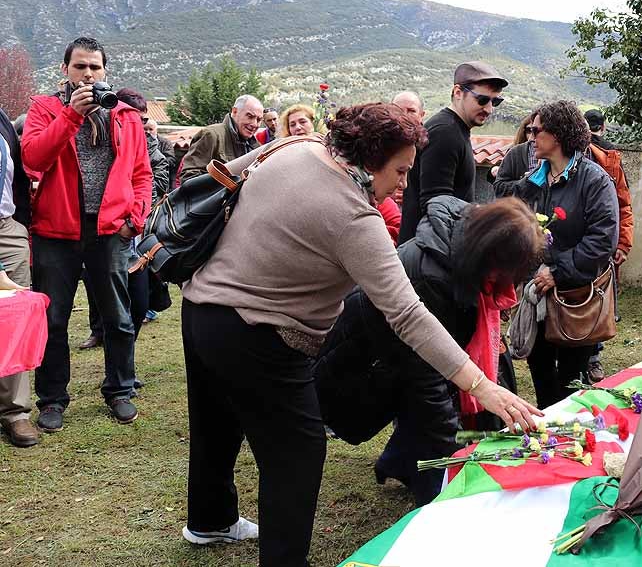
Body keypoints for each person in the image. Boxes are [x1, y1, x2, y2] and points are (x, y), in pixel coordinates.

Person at [179, 102, 540, 566]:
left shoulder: (298, 144)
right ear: (371, 160)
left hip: (201, 306)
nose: (405, 183)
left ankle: (210, 520)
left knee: (216, 421)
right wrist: (479, 384)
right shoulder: (355, 216)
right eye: (400, 170)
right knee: (298, 453)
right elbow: (407, 313)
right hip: (259, 332)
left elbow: (221, 179)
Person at [315, 195, 542, 504]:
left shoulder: (461, 256)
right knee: (430, 421)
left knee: (423, 410)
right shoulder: (432, 280)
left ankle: (397, 463)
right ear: (489, 257)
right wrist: (457, 454)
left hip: (395, 362)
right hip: (362, 361)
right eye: (506, 275)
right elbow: (427, 380)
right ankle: (435, 497)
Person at [21, 37, 152, 431]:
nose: (88, 74)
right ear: (65, 70)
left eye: (95, 67)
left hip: (109, 230)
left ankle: (120, 390)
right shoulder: (44, 108)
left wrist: (136, 218)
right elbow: (33, 156)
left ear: (105, 70)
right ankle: (53, 399)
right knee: (55, 319)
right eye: (80, 67)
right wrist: (71, 117)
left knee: (118, 316)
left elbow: (141, 174)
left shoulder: (125, 114)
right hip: (55, 231)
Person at [510, 101, 619, 409]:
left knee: (571, 379)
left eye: (536, 130)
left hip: (575, 298)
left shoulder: (595, 180)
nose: (530, 137)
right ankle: (548, 439)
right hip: (539, 297)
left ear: (556, 136)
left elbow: (602, 241)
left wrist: (556, 272)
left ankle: (566, 440)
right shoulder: (535, 180)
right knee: (541, 374)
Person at [79, 89, 171, 351]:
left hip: (137, 227)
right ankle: (99, 334)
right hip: (107, 226)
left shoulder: (150, 143)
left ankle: (125, 360)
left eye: (143, 120)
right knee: (100, 291)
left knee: (138, 301)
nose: (140, 125)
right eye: (136, 119)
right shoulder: (107, 134)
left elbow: (154, 173)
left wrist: (138, 215)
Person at [398, 61, 508, 243]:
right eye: (482, 100)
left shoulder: (454, 129)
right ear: (458, 92)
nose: (489, 109)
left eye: (495, 101)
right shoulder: (445, 132)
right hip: (428, 255)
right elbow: (435, 205)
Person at [581, 107, 633, 382]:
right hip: (583, 246)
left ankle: (592, 358)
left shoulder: (610, 158)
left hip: (603, 247)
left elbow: (622, 202)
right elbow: (625, 203)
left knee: (599, 303)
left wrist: (622, 244)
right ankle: (587, 359)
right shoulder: (605, 155)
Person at [0, 106, 38, 448]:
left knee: (13, 319)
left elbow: (16, 178)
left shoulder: (2, 120)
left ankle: (16, 412)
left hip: (7, 228)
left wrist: (19, 226)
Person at [179, 94, 262, 183]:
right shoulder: (211, 135)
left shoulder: (257, 147)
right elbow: (189, 179)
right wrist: (226, 186)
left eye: (259, 120)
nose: (254, 124)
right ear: (234, 111)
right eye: (250, 116)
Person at [492, 114, 539, 197]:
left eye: (536, 131)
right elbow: (499, 185)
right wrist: (525, 182)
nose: (532, 136)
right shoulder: (515, 152)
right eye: (529, 130)